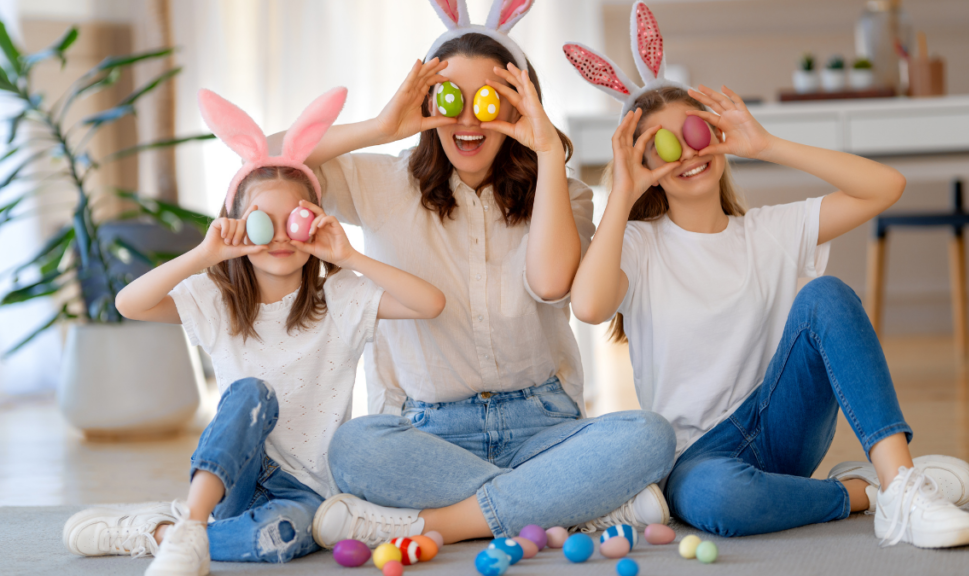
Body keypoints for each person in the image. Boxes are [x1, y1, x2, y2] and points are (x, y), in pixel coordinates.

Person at [566, 1, 969, 549]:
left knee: (827, 295)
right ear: (644, 166)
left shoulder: (771, 232)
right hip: (700, 457)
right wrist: (622, 189)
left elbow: (885, 187)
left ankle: (902, 484)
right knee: (717, 501)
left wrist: (768, 145)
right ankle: (868, 494)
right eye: (660, 148)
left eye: (694, 132)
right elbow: (589, 307)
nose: (686, 153)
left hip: (782, 424)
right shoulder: (638, 244)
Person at [289, 0, 676, 549]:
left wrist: (546, 150)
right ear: (426, 102)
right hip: (425, 430)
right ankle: (571, 505)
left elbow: (549, 283)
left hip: (543, 425)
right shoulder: (381, 182)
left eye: (490, 102)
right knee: (353, 447)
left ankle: (441, 524)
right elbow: (268, 165)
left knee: (648, 436)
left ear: (522, 107)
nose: (469, 119)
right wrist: (380, 126)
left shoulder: (564, 193)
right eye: (451, 100)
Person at [62, 87, 445, 576]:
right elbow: (128, 303)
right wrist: (203, 255)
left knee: (281, 539)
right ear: (238, 226)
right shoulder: (216, 298)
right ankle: (193, 521)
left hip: (307, 492)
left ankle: (164, 532)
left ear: (318, 224)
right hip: (231, 479)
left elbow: (430, 304)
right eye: (264, 222)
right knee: (251, 393)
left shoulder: (342, 296)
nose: (282, 235)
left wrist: (348, 256)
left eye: (298, 220)